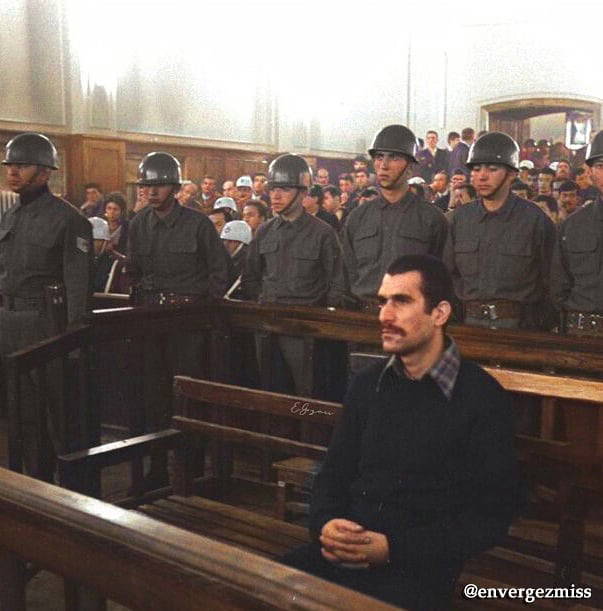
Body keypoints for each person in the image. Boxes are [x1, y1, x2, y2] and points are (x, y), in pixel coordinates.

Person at [283, 254, 519, 610]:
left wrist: (392, 548)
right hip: (343, 551)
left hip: (417, 569)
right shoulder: (367, 384)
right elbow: (333, 474)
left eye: (401, 301)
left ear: (439, 313)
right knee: (249, 588)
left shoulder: (481, 397)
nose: (385, 316)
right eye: (382, 302)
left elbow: (490, 517)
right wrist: (325, 524)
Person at [0, 132, 93, 478]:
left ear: (44, 172)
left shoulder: (69, 219)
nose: (13, 172)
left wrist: (74, 337)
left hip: (46, 325)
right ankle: (34, 485)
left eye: (22, 166)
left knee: (58, 413)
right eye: (10, 165)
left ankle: (68, 488)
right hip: (10, 320)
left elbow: (78, 282)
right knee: (22, 412)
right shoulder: (10, 216)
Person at [241, 153, 346, 396]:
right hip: (268, 325)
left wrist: (318, 319)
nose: (275, 196)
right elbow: (250, 277)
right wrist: (263, 305)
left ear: (303, 192)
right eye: (273, 189)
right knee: (270, 392)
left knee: (306, 395)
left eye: (285, 189)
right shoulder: (265, 231)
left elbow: (337, 283)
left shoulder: (323, 233)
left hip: (305, 330)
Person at [444, 132, 556, 330]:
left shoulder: (534, 220)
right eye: (476, 169)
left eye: (492, 169)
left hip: (520, 328)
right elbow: (448, 276)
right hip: (469, 325)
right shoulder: (459, 220)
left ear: (511, 174)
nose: (482, 176)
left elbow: (551, 281)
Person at [342, 124, 448, 309]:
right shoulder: (357, 217)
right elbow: (345, 274)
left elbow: (441, 278)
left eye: (394, 157)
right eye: (379, 157)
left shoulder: (431, 219)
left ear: (410, 167)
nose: (384, 165)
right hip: (362, 316)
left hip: (409, 315)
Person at [552, 130, 603, 336]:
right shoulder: (573, 225)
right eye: (601, 166)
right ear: (590, 172)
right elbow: (558, 285)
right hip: (581, 332)